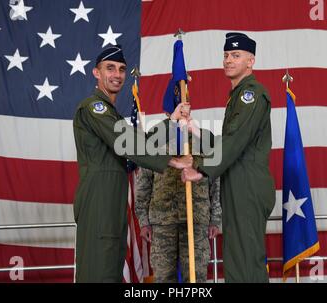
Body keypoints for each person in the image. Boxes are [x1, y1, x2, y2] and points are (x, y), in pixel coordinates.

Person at [72, 45, 192, 282]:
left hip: (112, 201)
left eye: (121, 69)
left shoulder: (111, 112)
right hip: (99, 202)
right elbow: (126, 143)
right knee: (99, 273)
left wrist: (171, 121)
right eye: (110, 68)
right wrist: (172, 161)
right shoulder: (94, 108)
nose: (117, 74)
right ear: (96, 73)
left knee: (112, 271)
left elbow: (138, 141)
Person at [181, 33, 276, 282]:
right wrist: (197, 131)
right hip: (237, 182)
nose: (228, 60)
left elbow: (235, 141)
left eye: (236, 55)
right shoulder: (237, 95)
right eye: (225, 55)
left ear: (250, 61)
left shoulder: (251, 94)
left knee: (245, 260)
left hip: (247, 184)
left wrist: (200, 168)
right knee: (237, 257)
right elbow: (233, 141)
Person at [135, 141, 222, 282]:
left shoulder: (202, 143)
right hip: (162, 223)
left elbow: (216, 183)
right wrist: (144, 222)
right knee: (164, 278)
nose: (182, 117)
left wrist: (215, 219)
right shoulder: (156, 143)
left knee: (196, 277)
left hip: (196, 222)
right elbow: (143, 186)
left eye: (186, 115)